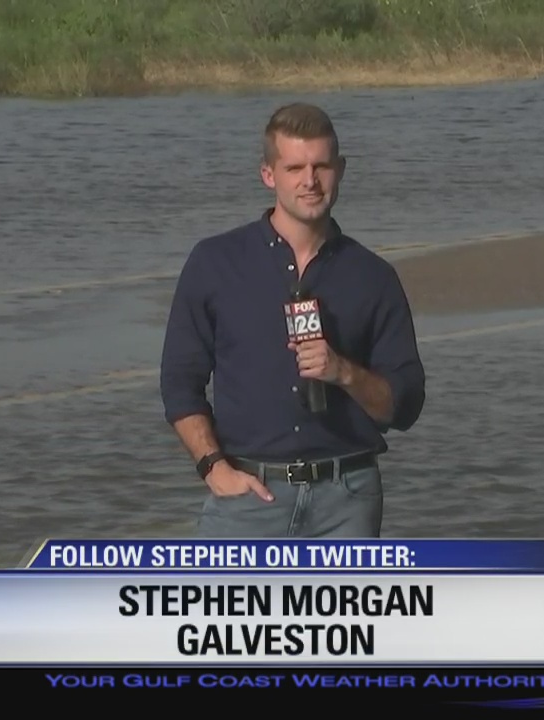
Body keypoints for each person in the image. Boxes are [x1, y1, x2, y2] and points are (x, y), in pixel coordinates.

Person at [159, 102, 426, 538]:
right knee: (217, 608)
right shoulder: (215, 263)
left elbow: (406, 405)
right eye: (295, 167)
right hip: (246, 495)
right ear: (269, 175)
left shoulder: (373, 276)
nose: (310, 181)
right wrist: (213, 468)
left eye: (321, 166)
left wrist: (343, 372)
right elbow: (178, 383)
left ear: (340, 169)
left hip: (347, 499)